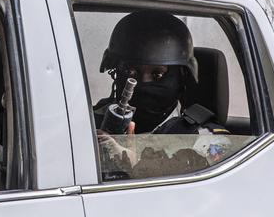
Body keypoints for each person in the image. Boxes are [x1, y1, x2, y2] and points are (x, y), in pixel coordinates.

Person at [93, 11, 231, 175]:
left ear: (181, 78)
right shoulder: (89, 122)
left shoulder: (204, 140)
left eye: (158, 74)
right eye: (132, 72)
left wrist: (135, 168)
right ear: (116, 72)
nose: (143, 82)